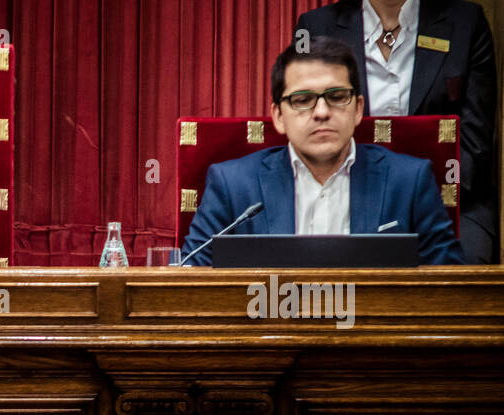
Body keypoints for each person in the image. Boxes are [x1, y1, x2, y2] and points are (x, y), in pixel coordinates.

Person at [181, 36, 463, 266]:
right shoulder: (232, 185)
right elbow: (192, 280)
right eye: (303, 100)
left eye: (337, 97)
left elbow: (448, 287)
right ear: (279, 116)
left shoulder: (409, 181)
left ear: (358, 109)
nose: (322, 112)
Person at [295, 1, 497, 263]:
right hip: (347, 195)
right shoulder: (314, 27)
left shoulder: (467, 22)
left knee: (461, 281)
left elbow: (475, 143)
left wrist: (417, 200)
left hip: (451, 199)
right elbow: (309, 129)